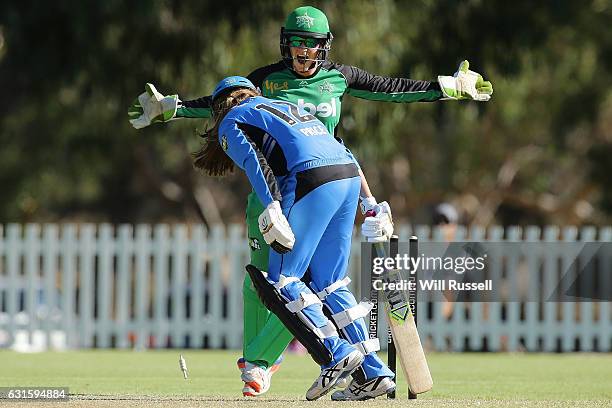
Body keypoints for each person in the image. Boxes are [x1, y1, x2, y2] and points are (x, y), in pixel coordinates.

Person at [128, 6, 492, 400]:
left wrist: (445, 87)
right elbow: (222, 102)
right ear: (286, 45)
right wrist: (175, 107)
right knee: (311, 283)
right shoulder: (266, 82)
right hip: (330, 179)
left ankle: (312, 358)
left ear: (325, 47)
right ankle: (370, 372)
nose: (303, 52)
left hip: (302, 186)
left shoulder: (337, 78)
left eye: (311, 44)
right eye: (297, 44)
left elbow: (391, 88)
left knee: (284, 283)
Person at [195, 75, 395, 400]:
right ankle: (372, 371)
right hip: (345, 175)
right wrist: (369, 203)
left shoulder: (231, 119)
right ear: (253, 93)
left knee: (282, 281)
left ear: (219, 107)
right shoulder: (284, 105)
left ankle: (335, 351)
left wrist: (273, 204)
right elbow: (341, 148)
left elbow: (254, 162)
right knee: (330, 284)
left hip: (310, 178)